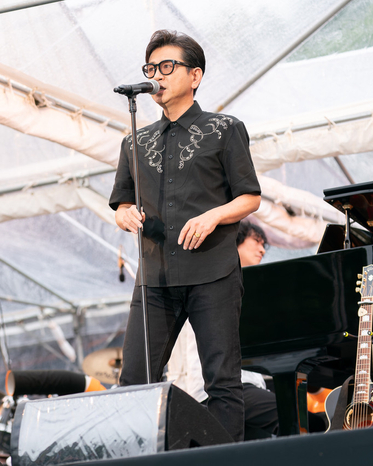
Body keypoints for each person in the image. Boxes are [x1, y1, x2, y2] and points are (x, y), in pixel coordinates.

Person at [109, 29, 261, 442]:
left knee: (222, 381)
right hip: (155, 277)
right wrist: (125, 216)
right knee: (134, 380)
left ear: (195, 76)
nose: (157, 75)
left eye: (167, 66)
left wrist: (213, 216)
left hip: (213, 273)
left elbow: (250, 197)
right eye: (151, 68)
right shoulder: (134, 141)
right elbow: (121, 204)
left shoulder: (225, 129)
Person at [166, 221, 279, 440]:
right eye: (257, 241)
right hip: (219, 390)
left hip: (244, 386)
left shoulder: (247, 286)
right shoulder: (208, 284)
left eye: (264, 244)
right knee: (291, 412)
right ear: (234, 240)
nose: (262, 250)